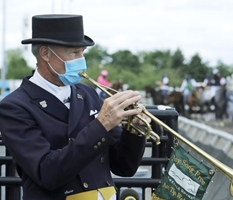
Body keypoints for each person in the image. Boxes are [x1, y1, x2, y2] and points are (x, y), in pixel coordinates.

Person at [0, 14, 150, 200]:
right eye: (74, 53)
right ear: (45, 54)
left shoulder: (87, 93)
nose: (81, 60)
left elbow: (124, 167)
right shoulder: (14, 107)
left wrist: (135, 130)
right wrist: (101, 125)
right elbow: (47, 173)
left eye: (82, 53)